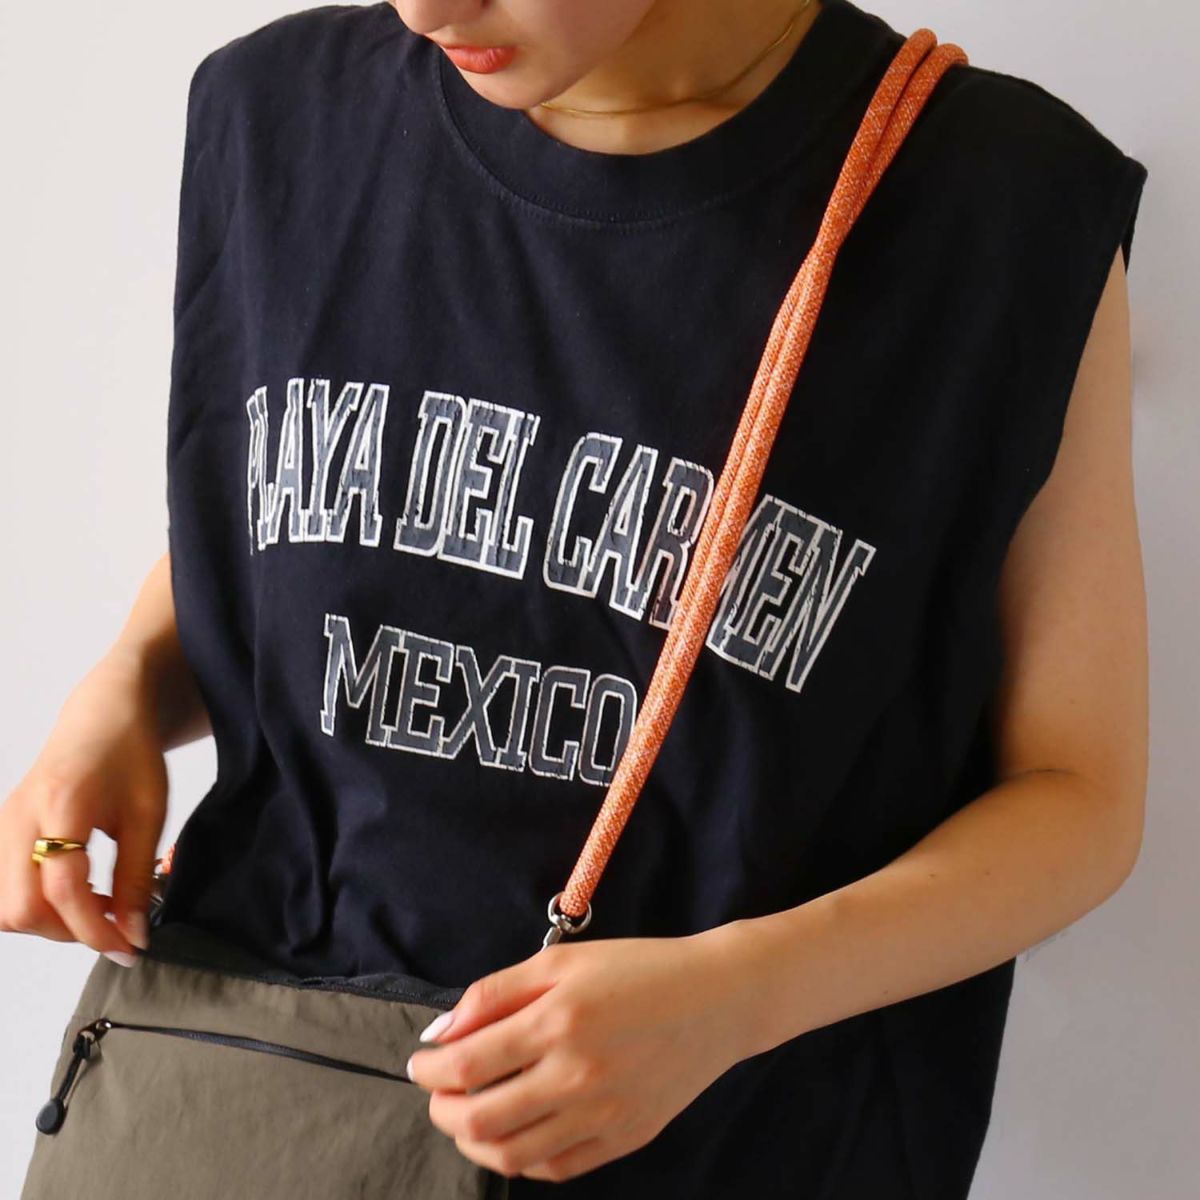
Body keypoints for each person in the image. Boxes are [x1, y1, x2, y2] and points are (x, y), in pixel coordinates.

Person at [4, 0, 1150, 1195]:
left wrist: (739, 996)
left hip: (724, 1140)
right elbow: (310, 503)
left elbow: (1076, 797)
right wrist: (122, 691)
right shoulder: (282, 112)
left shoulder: (998, 202)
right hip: (236, 1106)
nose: (428, 9)